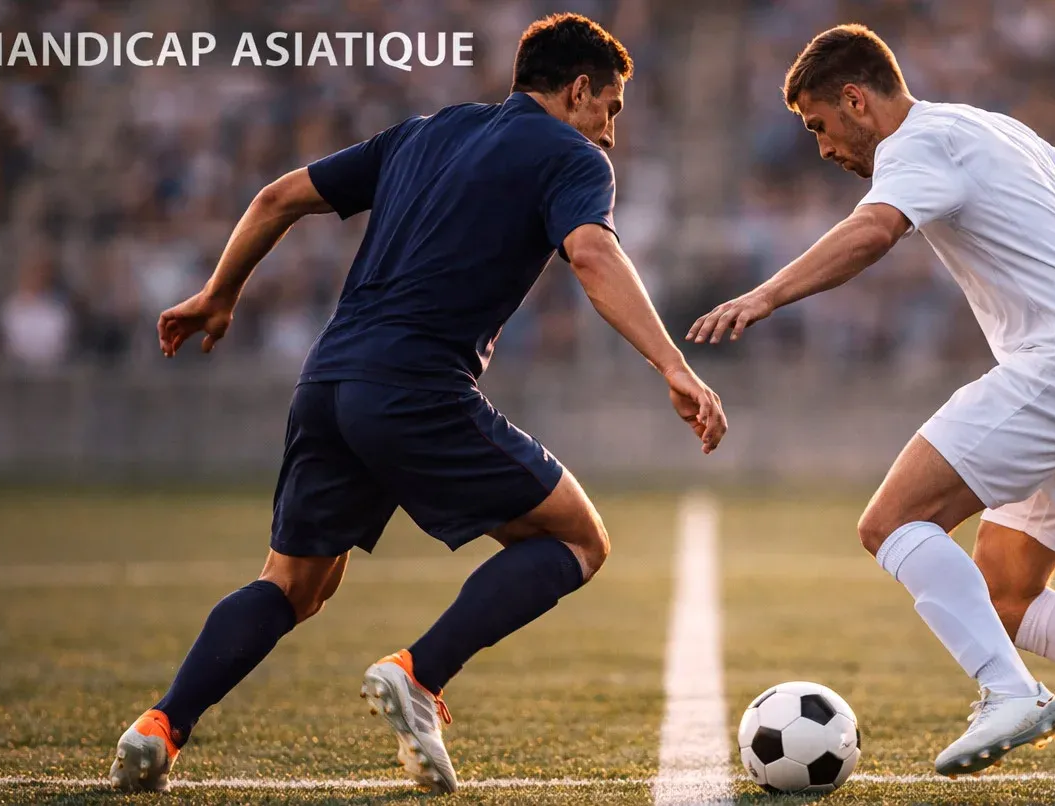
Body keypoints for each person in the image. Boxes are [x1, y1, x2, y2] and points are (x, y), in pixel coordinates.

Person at [112, 13, 726, 794]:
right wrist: (673, 365)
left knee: (294, 585)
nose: (610, 131)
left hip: (327, 381)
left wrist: (216, 294)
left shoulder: (422, 133)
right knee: (579, 540)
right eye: (611, 108)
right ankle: (421, 674)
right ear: (579, 92)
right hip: (416, 386)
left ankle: (162, 725)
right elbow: (592, 251)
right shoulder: (571, 154)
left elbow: (274, 197)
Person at [689, 25, 1055, 793]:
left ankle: (1012, 694)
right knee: (1006, 597)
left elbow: (872, 232)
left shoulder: (915, 146)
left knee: (889, 524)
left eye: (819, 124)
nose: (821, 147)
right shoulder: (992, 128)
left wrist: (764, 294)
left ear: (857, 99)